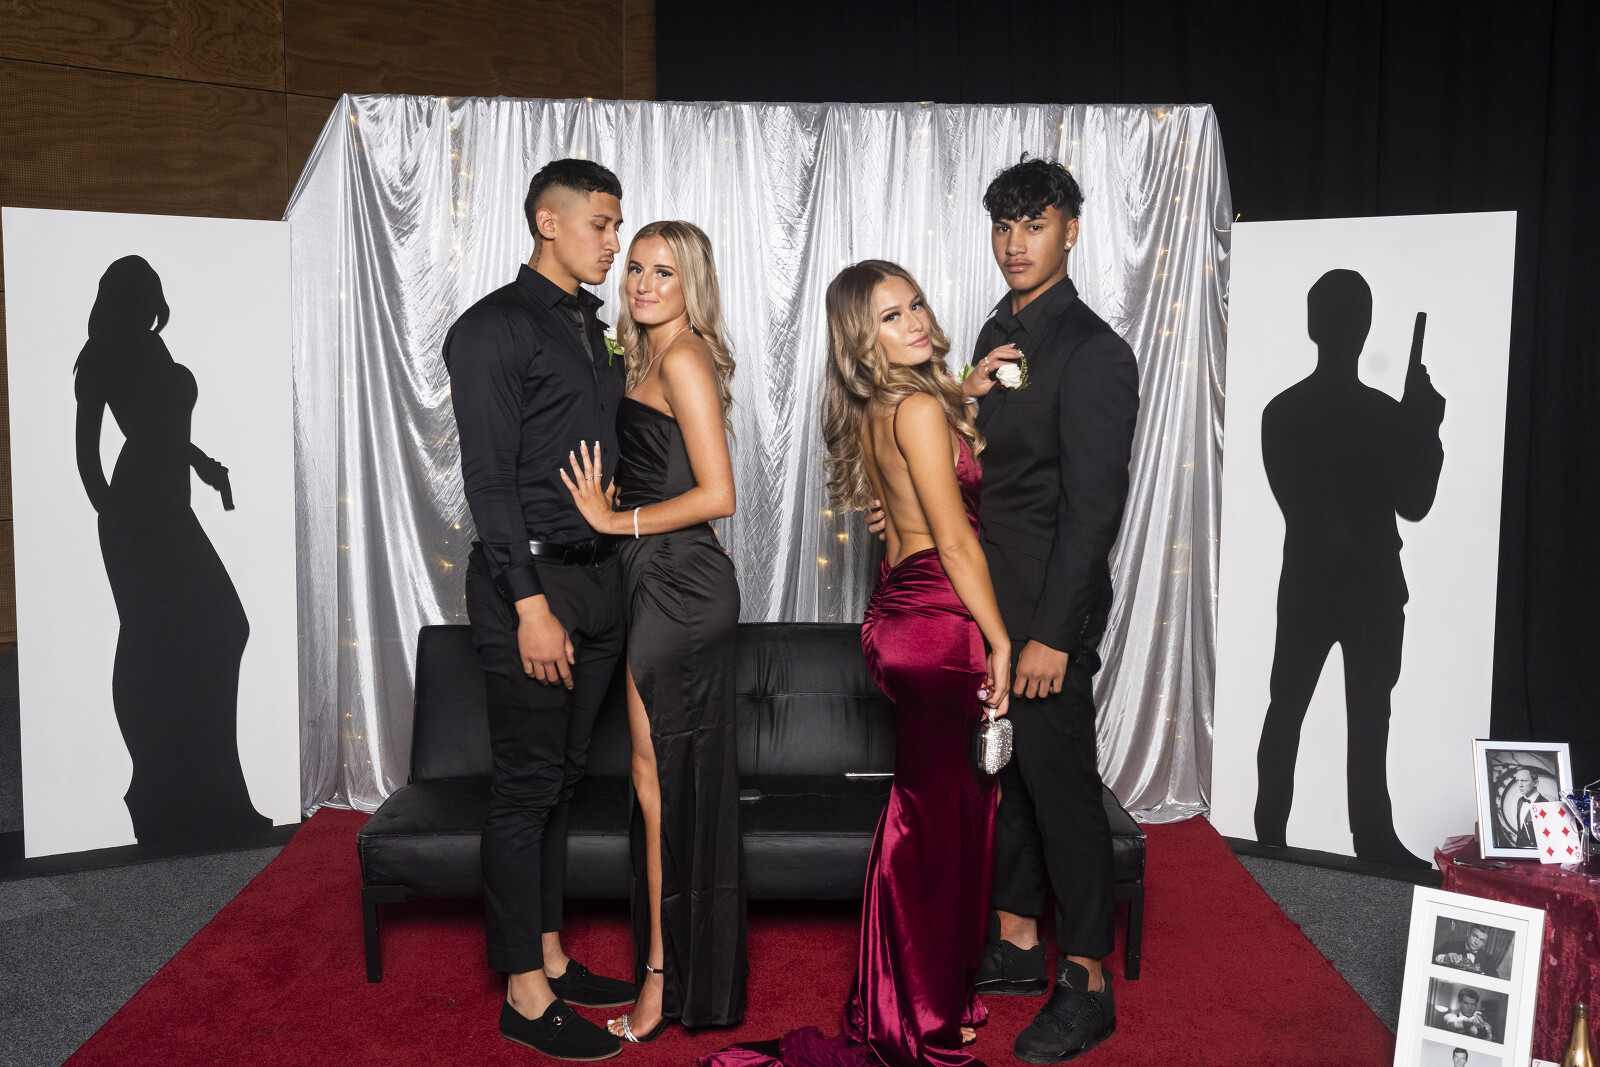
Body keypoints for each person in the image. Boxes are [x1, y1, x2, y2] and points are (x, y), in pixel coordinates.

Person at [702, 260, 1012, 1067]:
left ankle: (930, 994)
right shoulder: (918, 410)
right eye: (890, 316)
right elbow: (955, 541)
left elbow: (919, 490)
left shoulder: (889, 406)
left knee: (942, 814)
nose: (915, 321)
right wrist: (1002, 639)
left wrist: (968, 387)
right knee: (931, 821)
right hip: (940, 623)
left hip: (901, 614)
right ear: (859, 337)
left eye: (916, 304)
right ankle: (910, 1014)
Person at [443, 158, 635, 1061]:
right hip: (532, 588)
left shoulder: (594, 329)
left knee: (562, 778)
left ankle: (551, 955)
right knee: (525, 787)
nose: (614, 241)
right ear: (547, 222)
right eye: (601, 223)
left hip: (597, 581)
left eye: (618, 224)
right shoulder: (492, 328)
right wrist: (528, 605)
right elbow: (488, 481)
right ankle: (524, 993)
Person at [954, 157, 1140, 1063]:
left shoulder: (1095, 352)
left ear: (1071, 230)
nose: (1015, 243)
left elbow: (1093, 511)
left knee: (1062, 787)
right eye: (1004, 226)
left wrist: (1053, 636)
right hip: (990, 601)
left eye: (1034, 224)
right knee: (1012, 779)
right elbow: (988, 467)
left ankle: (1088, 978)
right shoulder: (997, 332)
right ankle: (1020, 940)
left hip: (1046, 614)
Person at [559, 220, 748, 1041]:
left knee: (662, 780)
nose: (641, 283)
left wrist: (615, 520)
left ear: (690, 283)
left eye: (662, 272)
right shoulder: (650, 356)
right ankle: (678, 971)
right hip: (656, 575)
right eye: (634, 267)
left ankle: (666, 978)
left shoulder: (683, 358)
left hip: (679, 582)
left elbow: (719, 495)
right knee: (655, 778)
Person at [74, 255, 270, 847]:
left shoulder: (152, 350)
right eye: (138, 296)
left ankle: (208, 792)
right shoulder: (103, 357)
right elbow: (87, 454)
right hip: (137, 512)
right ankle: (155, 784)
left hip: (169, 505)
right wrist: (114, 514)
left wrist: (202, 464)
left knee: (211, 633)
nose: (148, 307)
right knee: (156, 635)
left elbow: (162, 431)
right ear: (122, 301)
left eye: (150, 296)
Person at [1253, 270, 1445, 868]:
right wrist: (1420, 429)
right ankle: (1285, 837)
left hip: (1336, 587)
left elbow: (1411, 503)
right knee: (1320, 711)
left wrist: (1421, 428)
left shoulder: (1284, 411)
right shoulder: (1370, 415)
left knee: (1313, 710)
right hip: (1353, 586)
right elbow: (1410, 503)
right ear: (1363, 327)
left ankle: (1286, 837)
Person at [1506, 767, 1554, 849]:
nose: (1520, 785)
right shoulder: (1520, 801)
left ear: (1535, 783)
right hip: (1520, 849)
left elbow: (1549, 836)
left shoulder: (1545, 804)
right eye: (1517, 780)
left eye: (1524, 781)